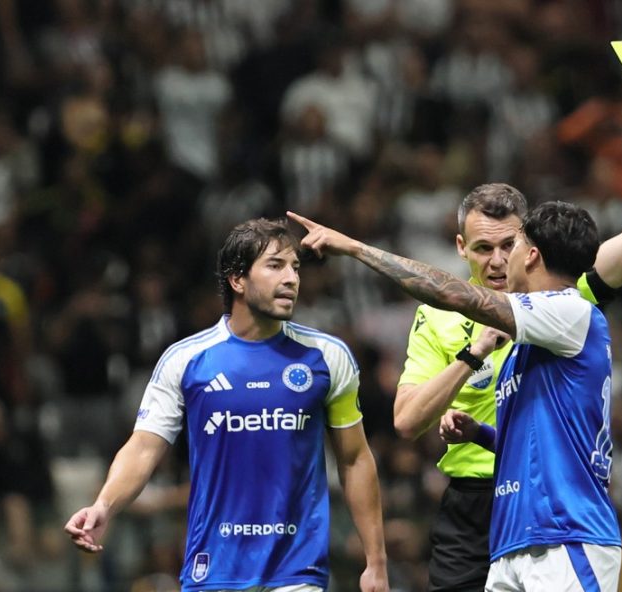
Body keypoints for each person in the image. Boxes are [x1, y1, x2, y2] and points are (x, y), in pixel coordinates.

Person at [289, 63, 622, 592]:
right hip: (494, 510)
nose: (496, 261)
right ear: (462, 247)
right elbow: (414, 419)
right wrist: (476, 412)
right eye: (483, 248)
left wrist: (355, 248)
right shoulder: (500, 340)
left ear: (531, 247)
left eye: (508, 246)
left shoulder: (565, 302)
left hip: (559, 523)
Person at [64, 219, 389, 592]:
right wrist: (104, 506)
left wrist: (375, 562)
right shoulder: (186, 360)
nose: (292, 279)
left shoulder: (327, 357)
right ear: (237, 280)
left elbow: (354, 459)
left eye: (295, 267)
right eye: (275, 265)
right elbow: (143, 447)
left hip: (296, 571)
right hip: (212, 568)